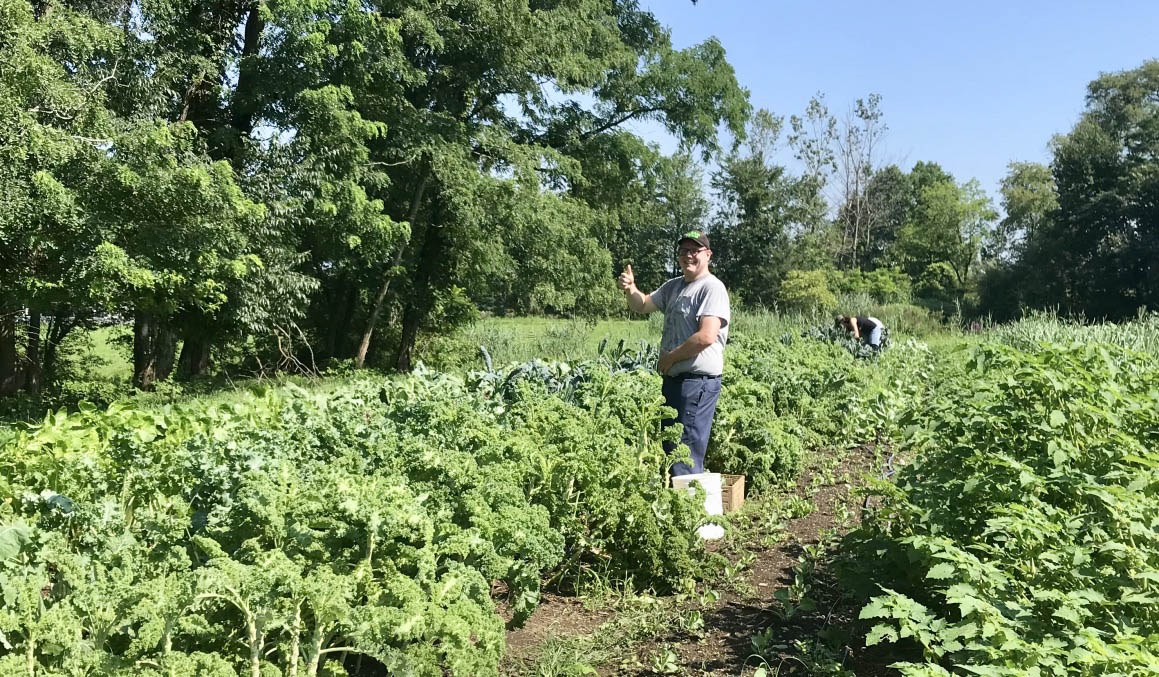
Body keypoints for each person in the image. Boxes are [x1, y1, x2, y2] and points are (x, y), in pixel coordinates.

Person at [617, 230, 730, 477]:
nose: (688, 256)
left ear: (707, 255)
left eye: (694, 250)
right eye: (683, 251)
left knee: (683, 454)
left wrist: (670, 357)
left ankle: (692, 512)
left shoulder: (712, 288)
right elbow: (643, 305)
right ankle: (685, 507)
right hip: (675, 382)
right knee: (673, 450)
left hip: (697, 384)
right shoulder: (674, 286)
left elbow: (706, 336)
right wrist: (630, 288)